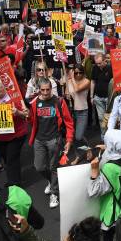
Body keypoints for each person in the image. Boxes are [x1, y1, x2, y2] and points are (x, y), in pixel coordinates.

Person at [29, 77, 74, 208]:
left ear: (51, 88)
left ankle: (54, 192)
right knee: (39, 167)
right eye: (42, 90)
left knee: (54, 166)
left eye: (48, 89)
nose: (45, 92)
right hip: (39, 139)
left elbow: (69, 122)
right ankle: (52, 181)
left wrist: (69, 140)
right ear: (38, 90)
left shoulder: (59, 101)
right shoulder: (34, 103)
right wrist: (25, 115)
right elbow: (32, 121)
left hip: (54, 139)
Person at [0, 79, 29, 186]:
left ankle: (14, 184)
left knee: (11, 159)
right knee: (7, 159)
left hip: (16, 135)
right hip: (0, 136)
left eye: (0, 89)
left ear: (6, 88)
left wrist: (17, 112)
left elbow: (26, 114)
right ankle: (13, 179)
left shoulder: (14, 98)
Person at [66, 64, 91, 143]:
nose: (78, 74)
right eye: (76, 73)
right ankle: (79, 151)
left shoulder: (86, 81)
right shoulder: (69, 81)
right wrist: (67, 95)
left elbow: (77, 89)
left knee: (78, 136)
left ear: (83, 73)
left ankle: (87, 148)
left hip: (82, 111)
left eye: (80, 72)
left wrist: (72, 78)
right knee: (72, 135)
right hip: (71, 111)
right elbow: (66, 92)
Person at [91, 53, 114, 139]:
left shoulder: (111, 68)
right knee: (101, 118)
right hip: (98, 97)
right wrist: (91, 96)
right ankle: (103, 137)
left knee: (109, 118)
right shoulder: (95, 68)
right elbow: (92, 82)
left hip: (109, 98)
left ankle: (110, 136)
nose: (98, 65)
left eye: (100, 63)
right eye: (96, 63)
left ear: (105, 61)